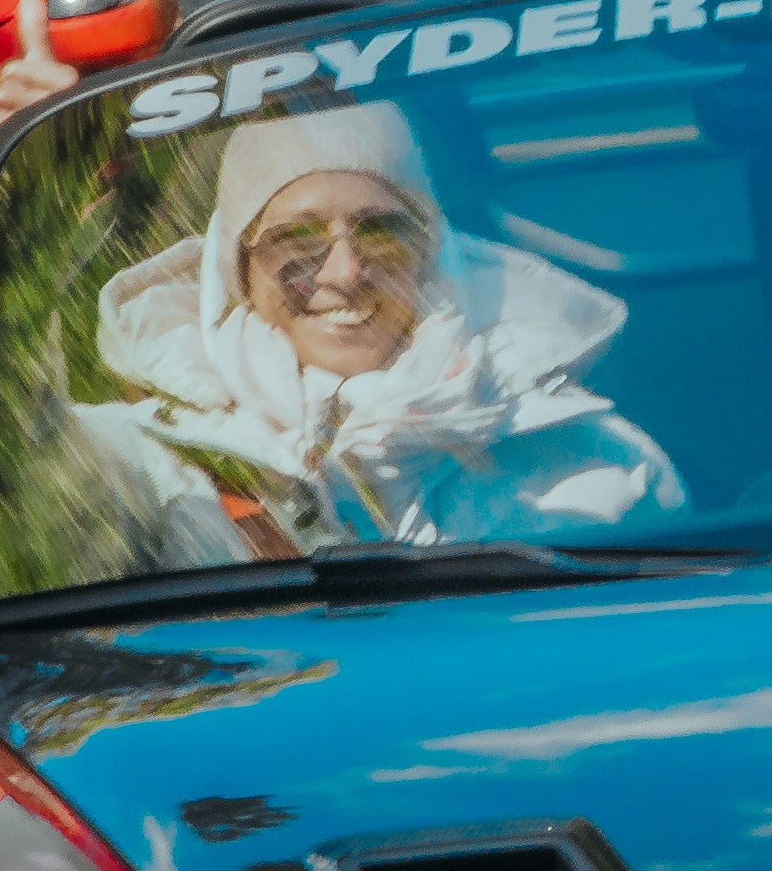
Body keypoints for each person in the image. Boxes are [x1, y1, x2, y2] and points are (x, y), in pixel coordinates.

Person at [87, 99, 681, 549]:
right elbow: (22, 460)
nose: (344, 273)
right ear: (239, 273)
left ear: (432, 255)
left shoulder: (602, 465)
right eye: (296, 240)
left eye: (380, 233)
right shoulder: (143, 464)